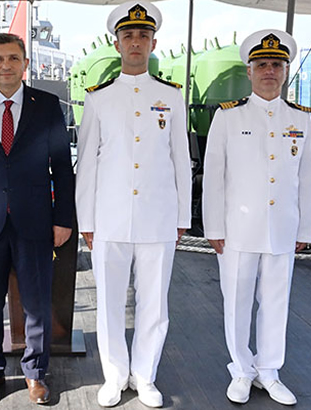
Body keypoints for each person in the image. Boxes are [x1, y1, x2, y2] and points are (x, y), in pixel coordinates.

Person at [75, 1, 192, 407]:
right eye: (128, 36)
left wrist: (182, 216)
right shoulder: (99, 98)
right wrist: (86, 220)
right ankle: (114, 375)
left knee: (154, 304)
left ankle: (144, 376)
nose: (136, 42)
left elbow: (181, 160)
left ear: (154, 43)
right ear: (117, 44)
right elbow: (87, 162)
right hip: (109, 217)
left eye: (143, 35)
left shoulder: (171, 97)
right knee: (109, 304)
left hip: (158, 218)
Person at [0, 33, 74, 405]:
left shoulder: (47, 106)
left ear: (25, 64)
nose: (6, 65)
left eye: (13, 58)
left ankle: (35, 373)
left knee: (36, 302)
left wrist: (63, 218)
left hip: (35, 220)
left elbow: (62, 167)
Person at [202, 29, 311, 406]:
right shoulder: (229, 116)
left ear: (285, 71)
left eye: (277, 65)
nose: (270, 71)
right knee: (236, 302)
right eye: (262, 64)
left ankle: (269, 371)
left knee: (276, 302)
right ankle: (241, 369)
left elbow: (306, 178)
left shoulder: (301, 119)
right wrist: (213, 226)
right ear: (249, 71)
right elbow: (214, 176)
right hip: (237, 229)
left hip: (282, 227)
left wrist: (305, 228)